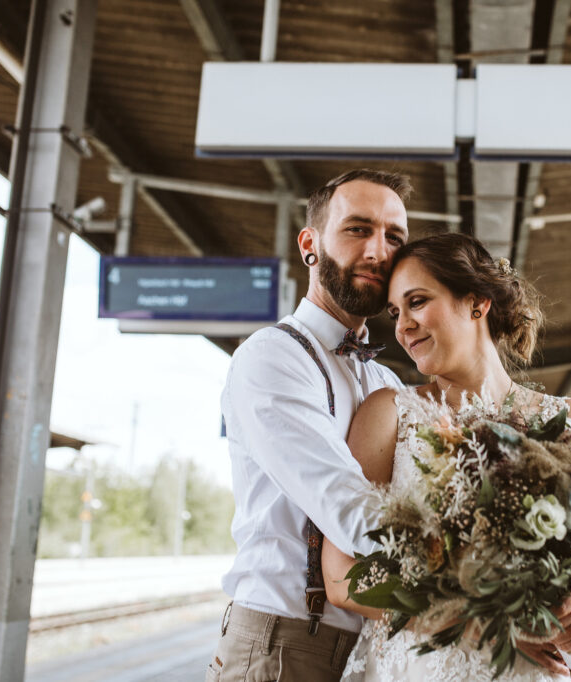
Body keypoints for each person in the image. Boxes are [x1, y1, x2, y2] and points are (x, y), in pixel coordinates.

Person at [321, 233, 571, 680]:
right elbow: (342, 577)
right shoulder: (390, 413)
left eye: (417, 302)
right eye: (396, 312)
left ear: (477, 303)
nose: (402, 326)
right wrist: (493, 628)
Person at [207, 169, 413, 682]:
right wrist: (487, 584)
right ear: (310, 244)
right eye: (357, 229)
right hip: (284, 643)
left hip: (376, 645)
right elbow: (349, 508)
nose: (377, 251)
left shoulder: (385, 379)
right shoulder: (271, 356)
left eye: (394, 237)